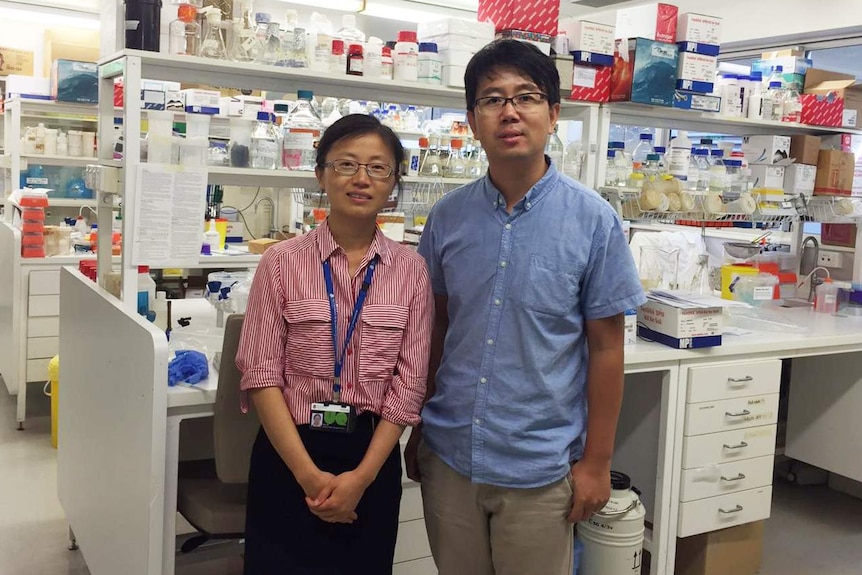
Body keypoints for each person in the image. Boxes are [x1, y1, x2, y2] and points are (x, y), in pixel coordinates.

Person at [406, 39, 646, 575]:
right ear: (472, 120)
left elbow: (607, 348)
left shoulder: (592, 220)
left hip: (541, 464)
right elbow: (437, 327)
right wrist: (420, 424)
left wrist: (598, 463)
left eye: (527, 96)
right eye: (492, 99)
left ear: (554, 114)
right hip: (449, 455)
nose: (510, 112)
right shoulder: (448, 218)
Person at [236, 113, 434, 575]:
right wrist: (309, 477)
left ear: (394, 183)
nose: (361, 179)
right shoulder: (281, 263)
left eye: (378, 168)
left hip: (370, 456)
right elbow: (262, 375)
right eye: (346, 164)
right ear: (321, 174)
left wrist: (360, 481)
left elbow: (409, 386)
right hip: (290, 454)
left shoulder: (411, 271)